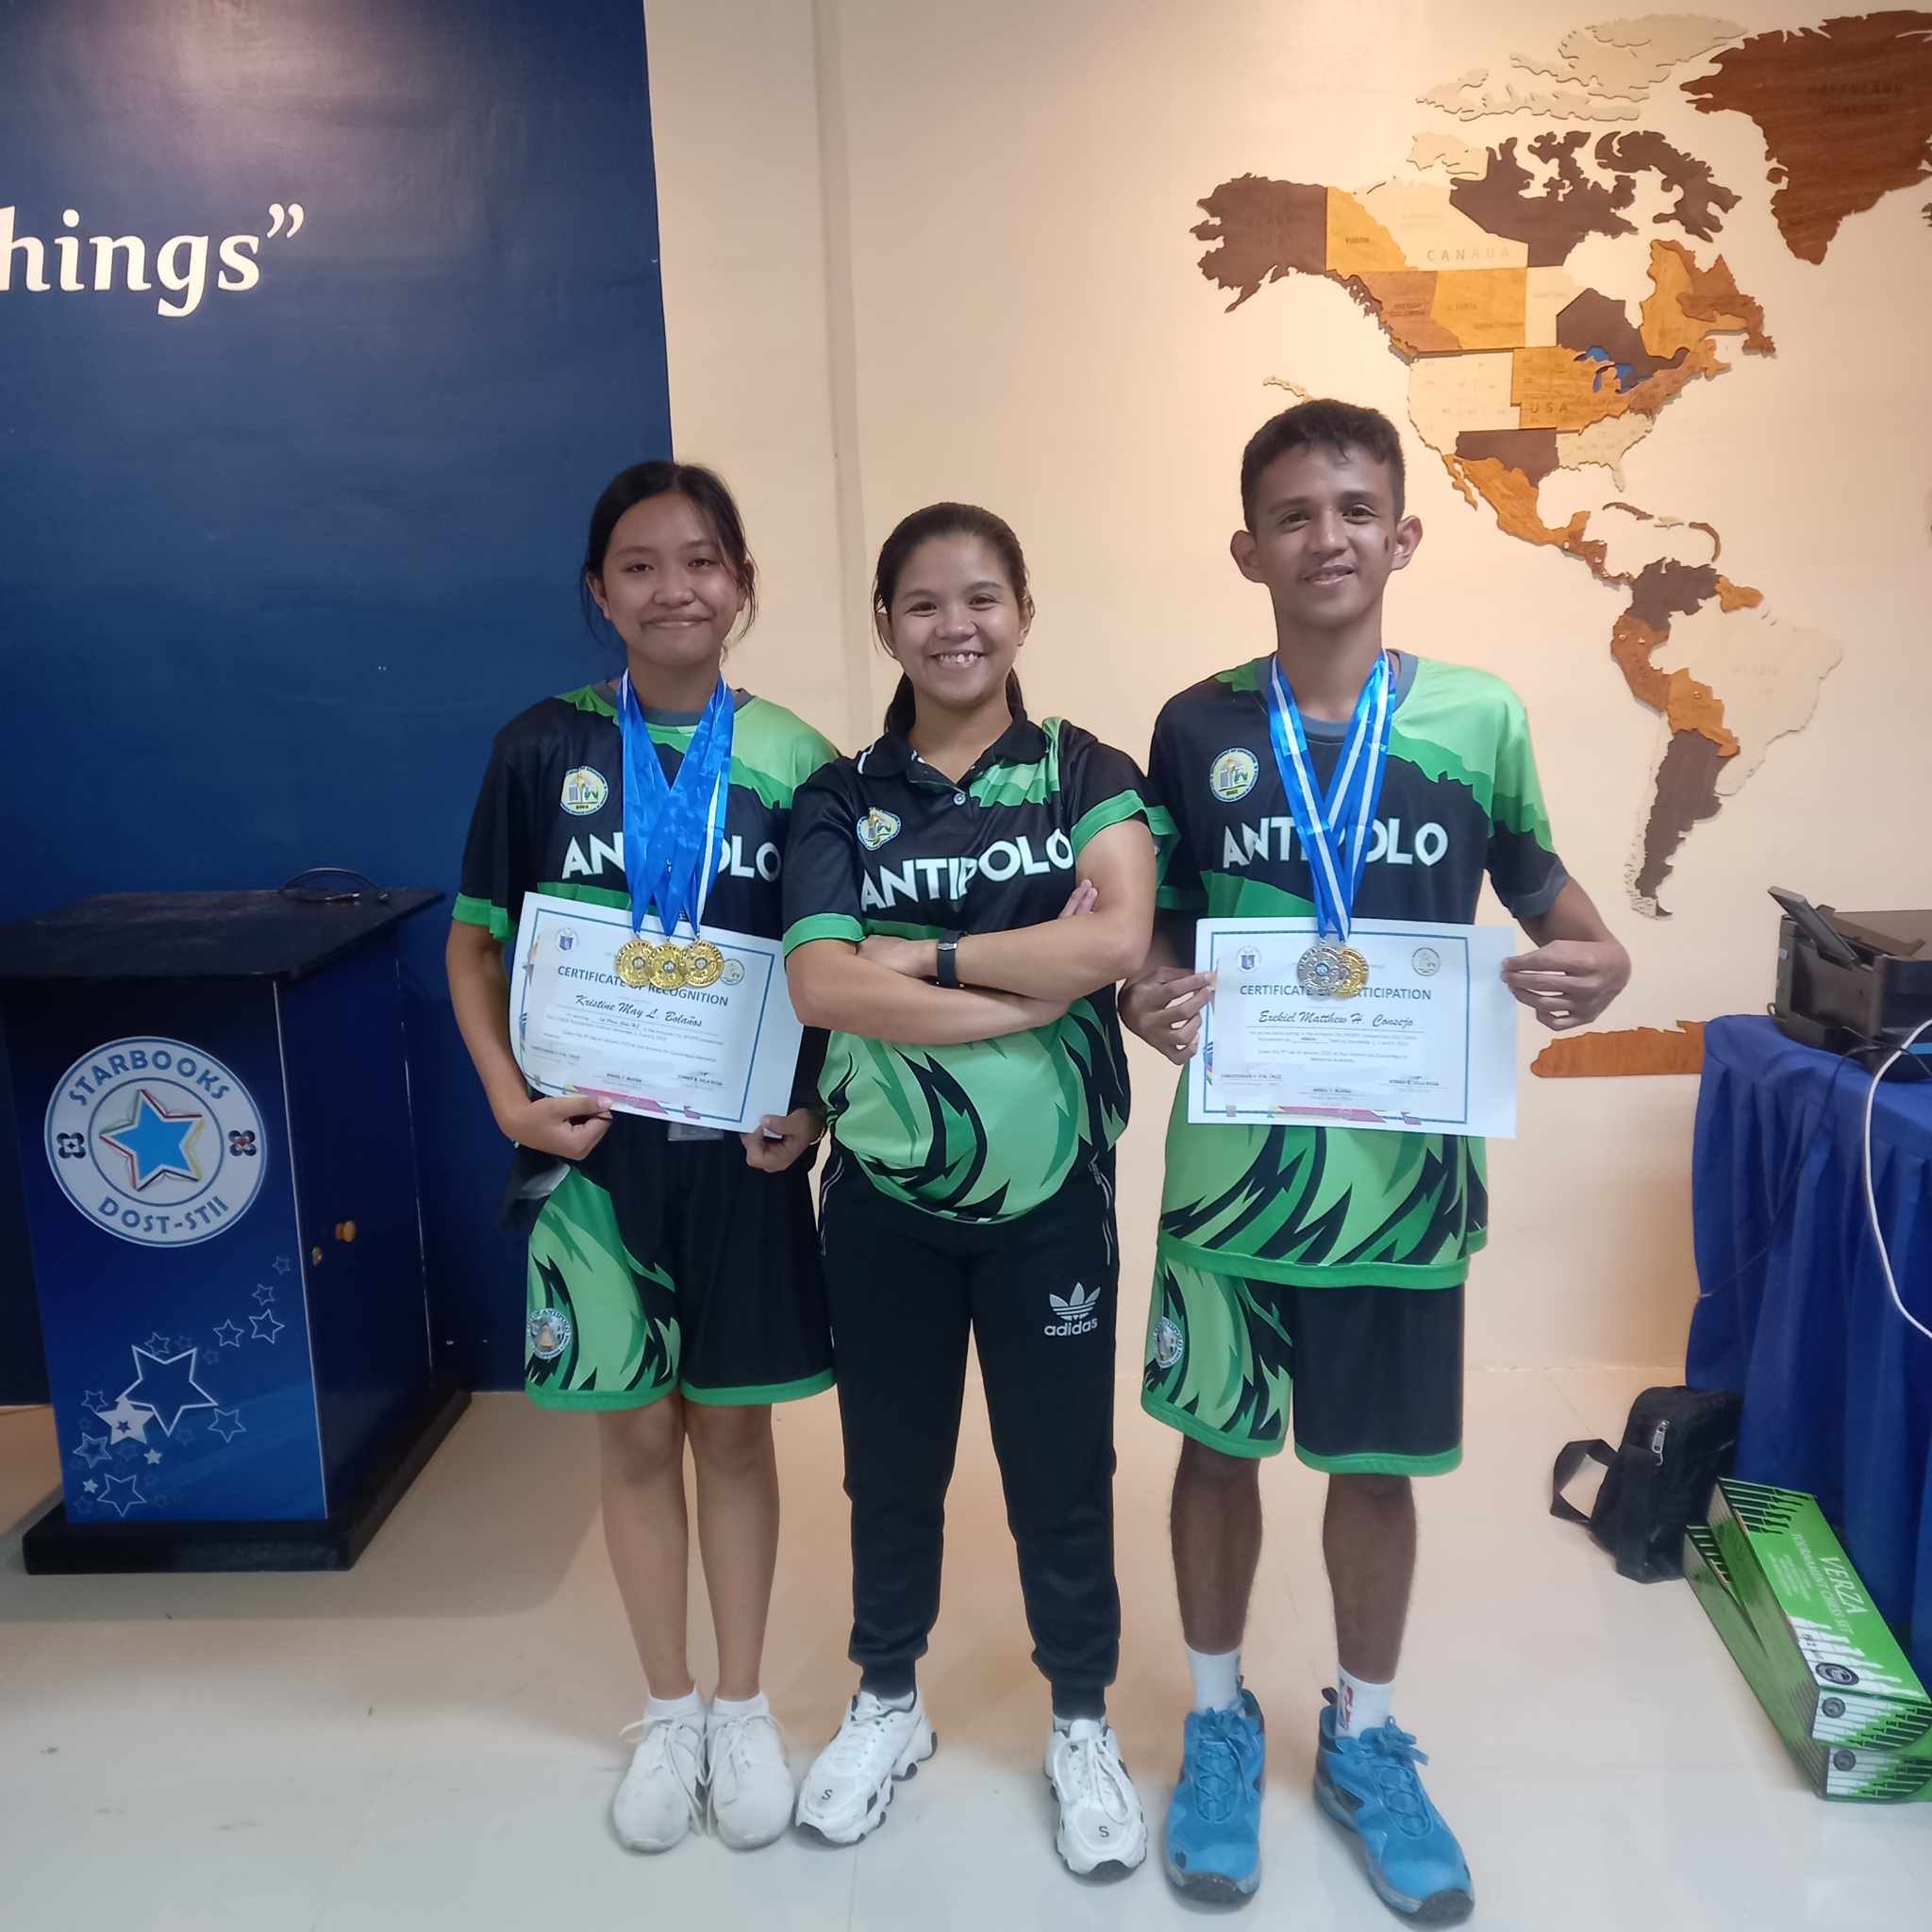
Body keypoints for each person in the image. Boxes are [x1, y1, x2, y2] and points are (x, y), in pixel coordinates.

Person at [1122, 401, 1630, 1921]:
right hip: (1234, 1178)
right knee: (1216, 1447)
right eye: (1292, 513)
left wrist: (1600, 966)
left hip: (1404, 1187)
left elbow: (1553, 900)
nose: (1325, 537)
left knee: (1377, 1465)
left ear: (1403, 534)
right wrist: (1149, 989)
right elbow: (1156, 920)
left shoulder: (1478, 718)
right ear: (1248, 549)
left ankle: (1366, 1733)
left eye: (1354, 509)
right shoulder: (1196, 725)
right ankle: (1221, 1720)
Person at [446, 461, 839, 1855]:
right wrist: (508, 1102)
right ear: (598, 593)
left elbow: (828, 967)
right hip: (594, 1159)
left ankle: (742, 1706)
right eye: (640, 565)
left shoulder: (798, 759)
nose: (676, 589)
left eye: (703, 561)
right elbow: (474, 945)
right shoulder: (538, 748)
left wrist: (813, 1109)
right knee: (633, 1432)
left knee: (732, 1429)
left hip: (738, 1158)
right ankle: (668, 1709)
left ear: (743, 584)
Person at [780, 503, 1168, 1874]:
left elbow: (1115, 939)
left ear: (1024, 613)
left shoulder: (1085, 771)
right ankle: (888, 1702)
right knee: (891, 1465)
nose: (957, 626)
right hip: (883, 1194)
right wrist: (1024, 988)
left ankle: (1082, 1721)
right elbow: (821, 983)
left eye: (983, 597)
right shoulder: (839, 795)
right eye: (926, 603)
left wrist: (929, 960)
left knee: (1061, 1470)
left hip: (1052, 1197)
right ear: (887, 625)